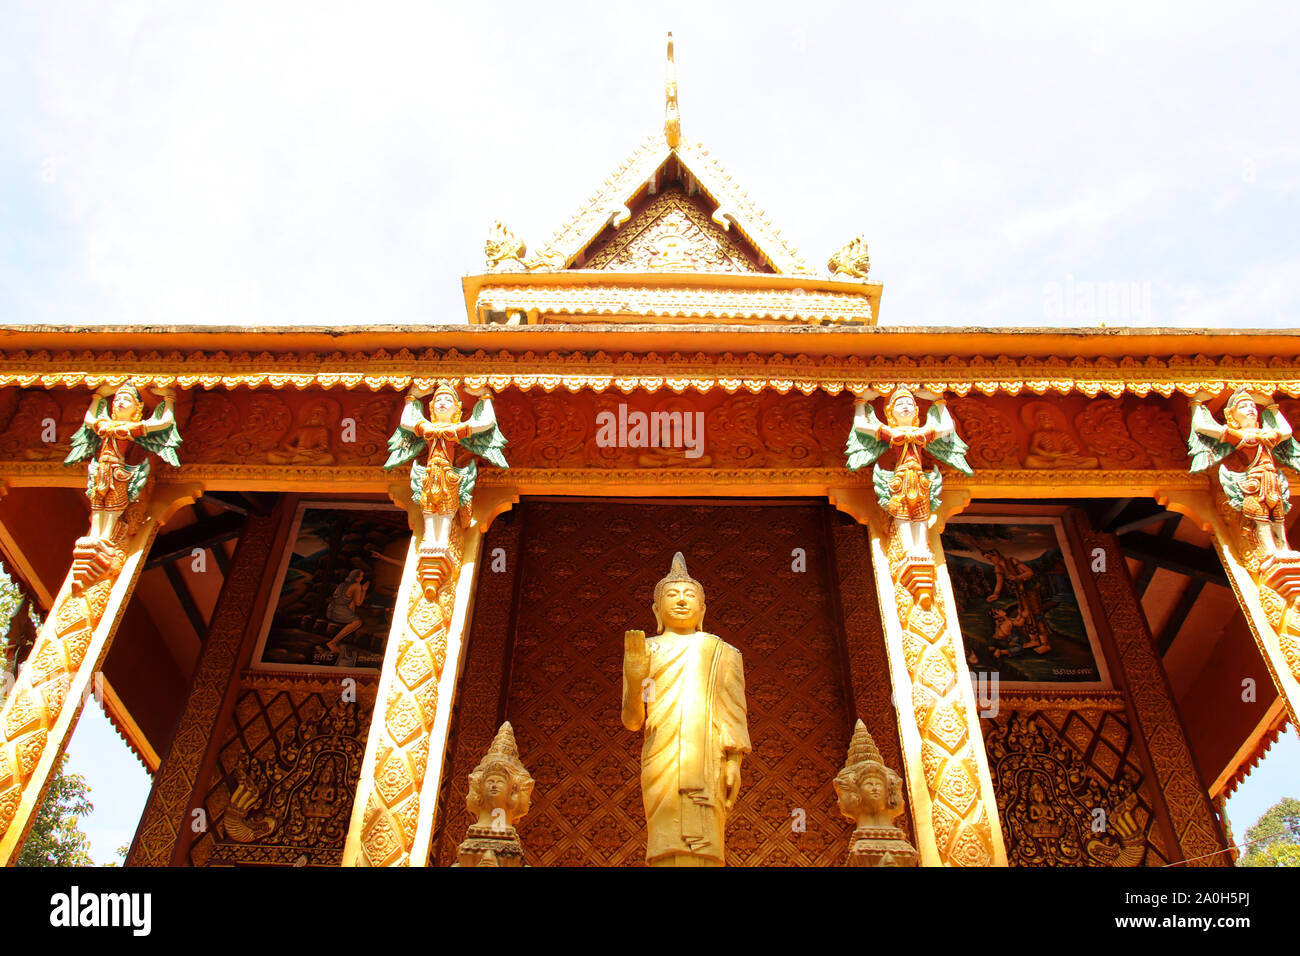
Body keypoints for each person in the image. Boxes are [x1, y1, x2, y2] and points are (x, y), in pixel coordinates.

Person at [621, 553, 750, 866]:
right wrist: (636, 677)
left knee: (707, 847)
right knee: (665, 841)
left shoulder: (723, 652)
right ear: (657, 609)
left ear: (703, 609)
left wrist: (734, 761)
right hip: (661, 756)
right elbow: (633, 720)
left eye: (689, 595)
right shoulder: (645, 649)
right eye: (672, 595)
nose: (681, 601)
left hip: (708, 760)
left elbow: (733, 710)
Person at [324, 569, 368, 653]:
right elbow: (358, 603)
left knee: (351, 602)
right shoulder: (356, 586)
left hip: (331, 609)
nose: (362, 578)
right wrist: (364, 590)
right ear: (357, 578)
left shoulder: (342, 584)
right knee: (357, 622)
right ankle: (332, 642)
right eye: (361, 576)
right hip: (339, 611)